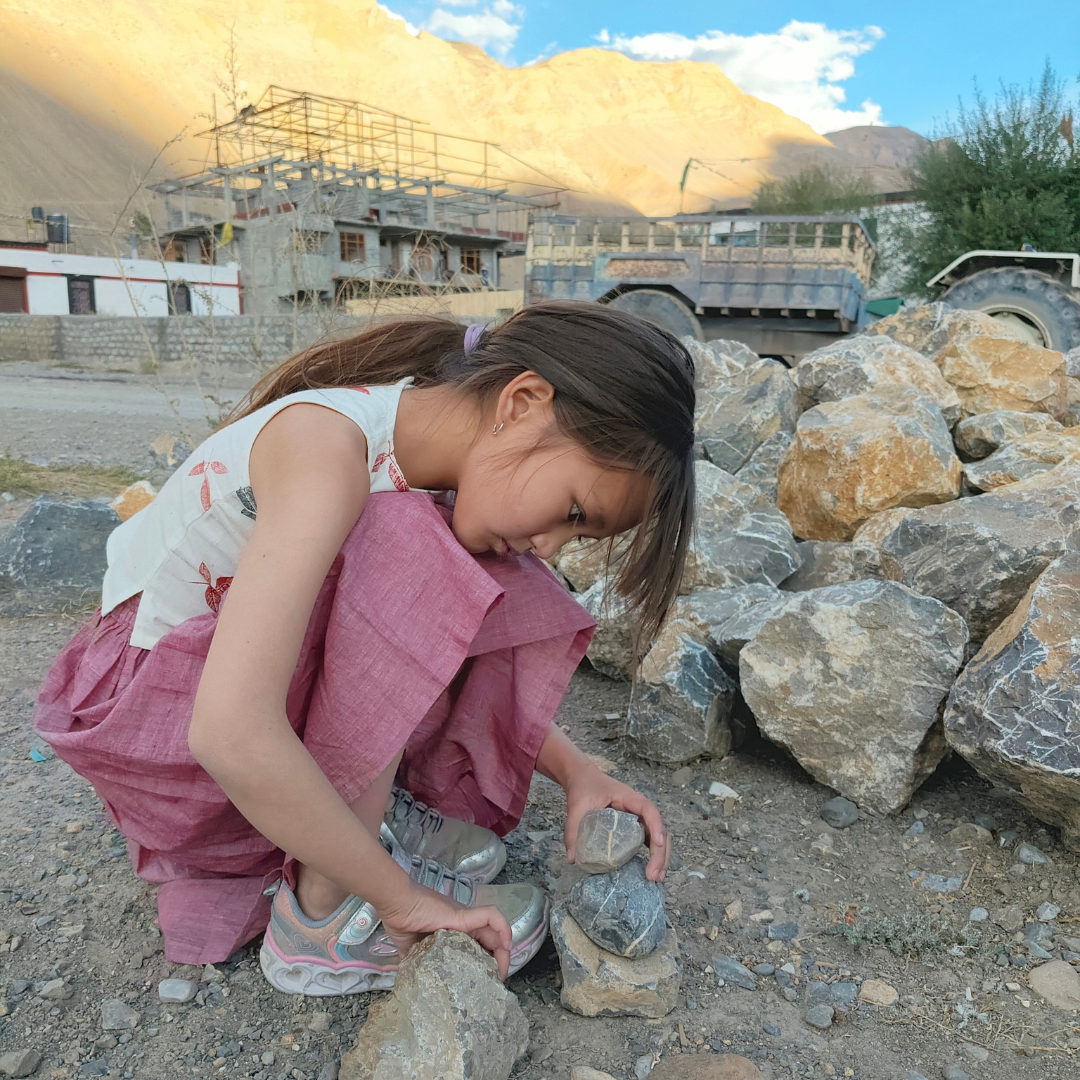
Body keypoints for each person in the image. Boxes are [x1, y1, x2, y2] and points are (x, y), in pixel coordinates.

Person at [34, 301, 696, 996]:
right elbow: (228, 731)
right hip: (159, 737)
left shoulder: (413, 442)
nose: (552, 546)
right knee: (417, 556)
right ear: (523, 401)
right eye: (572, 514)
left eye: (580, 538)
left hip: (199, 704)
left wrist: (577, 770)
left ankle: (357, 820)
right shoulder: (328, 457)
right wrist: (401, 900)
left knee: (469, 565)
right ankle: (324, 912)